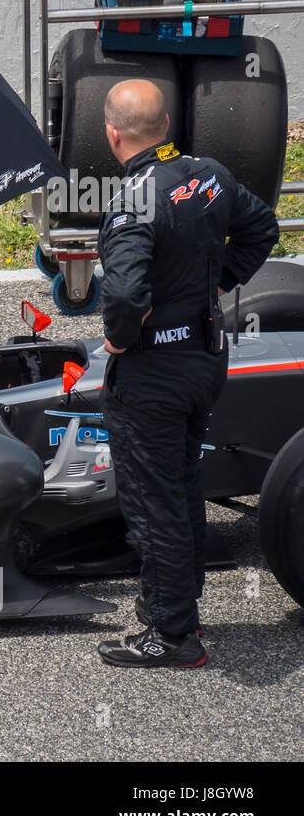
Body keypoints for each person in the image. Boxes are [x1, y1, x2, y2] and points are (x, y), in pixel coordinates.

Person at [94, 79, 277, 668]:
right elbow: (262, 229)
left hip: (153, 374)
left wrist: (120, 338)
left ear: (112, 133)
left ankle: (172, 635)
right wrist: (218, 284)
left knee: (155, 502)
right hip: (204, 359)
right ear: (167, 126)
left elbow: (124, 292)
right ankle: (179, 608)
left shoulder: (133, 201)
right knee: (181, 485)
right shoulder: (209, 173)